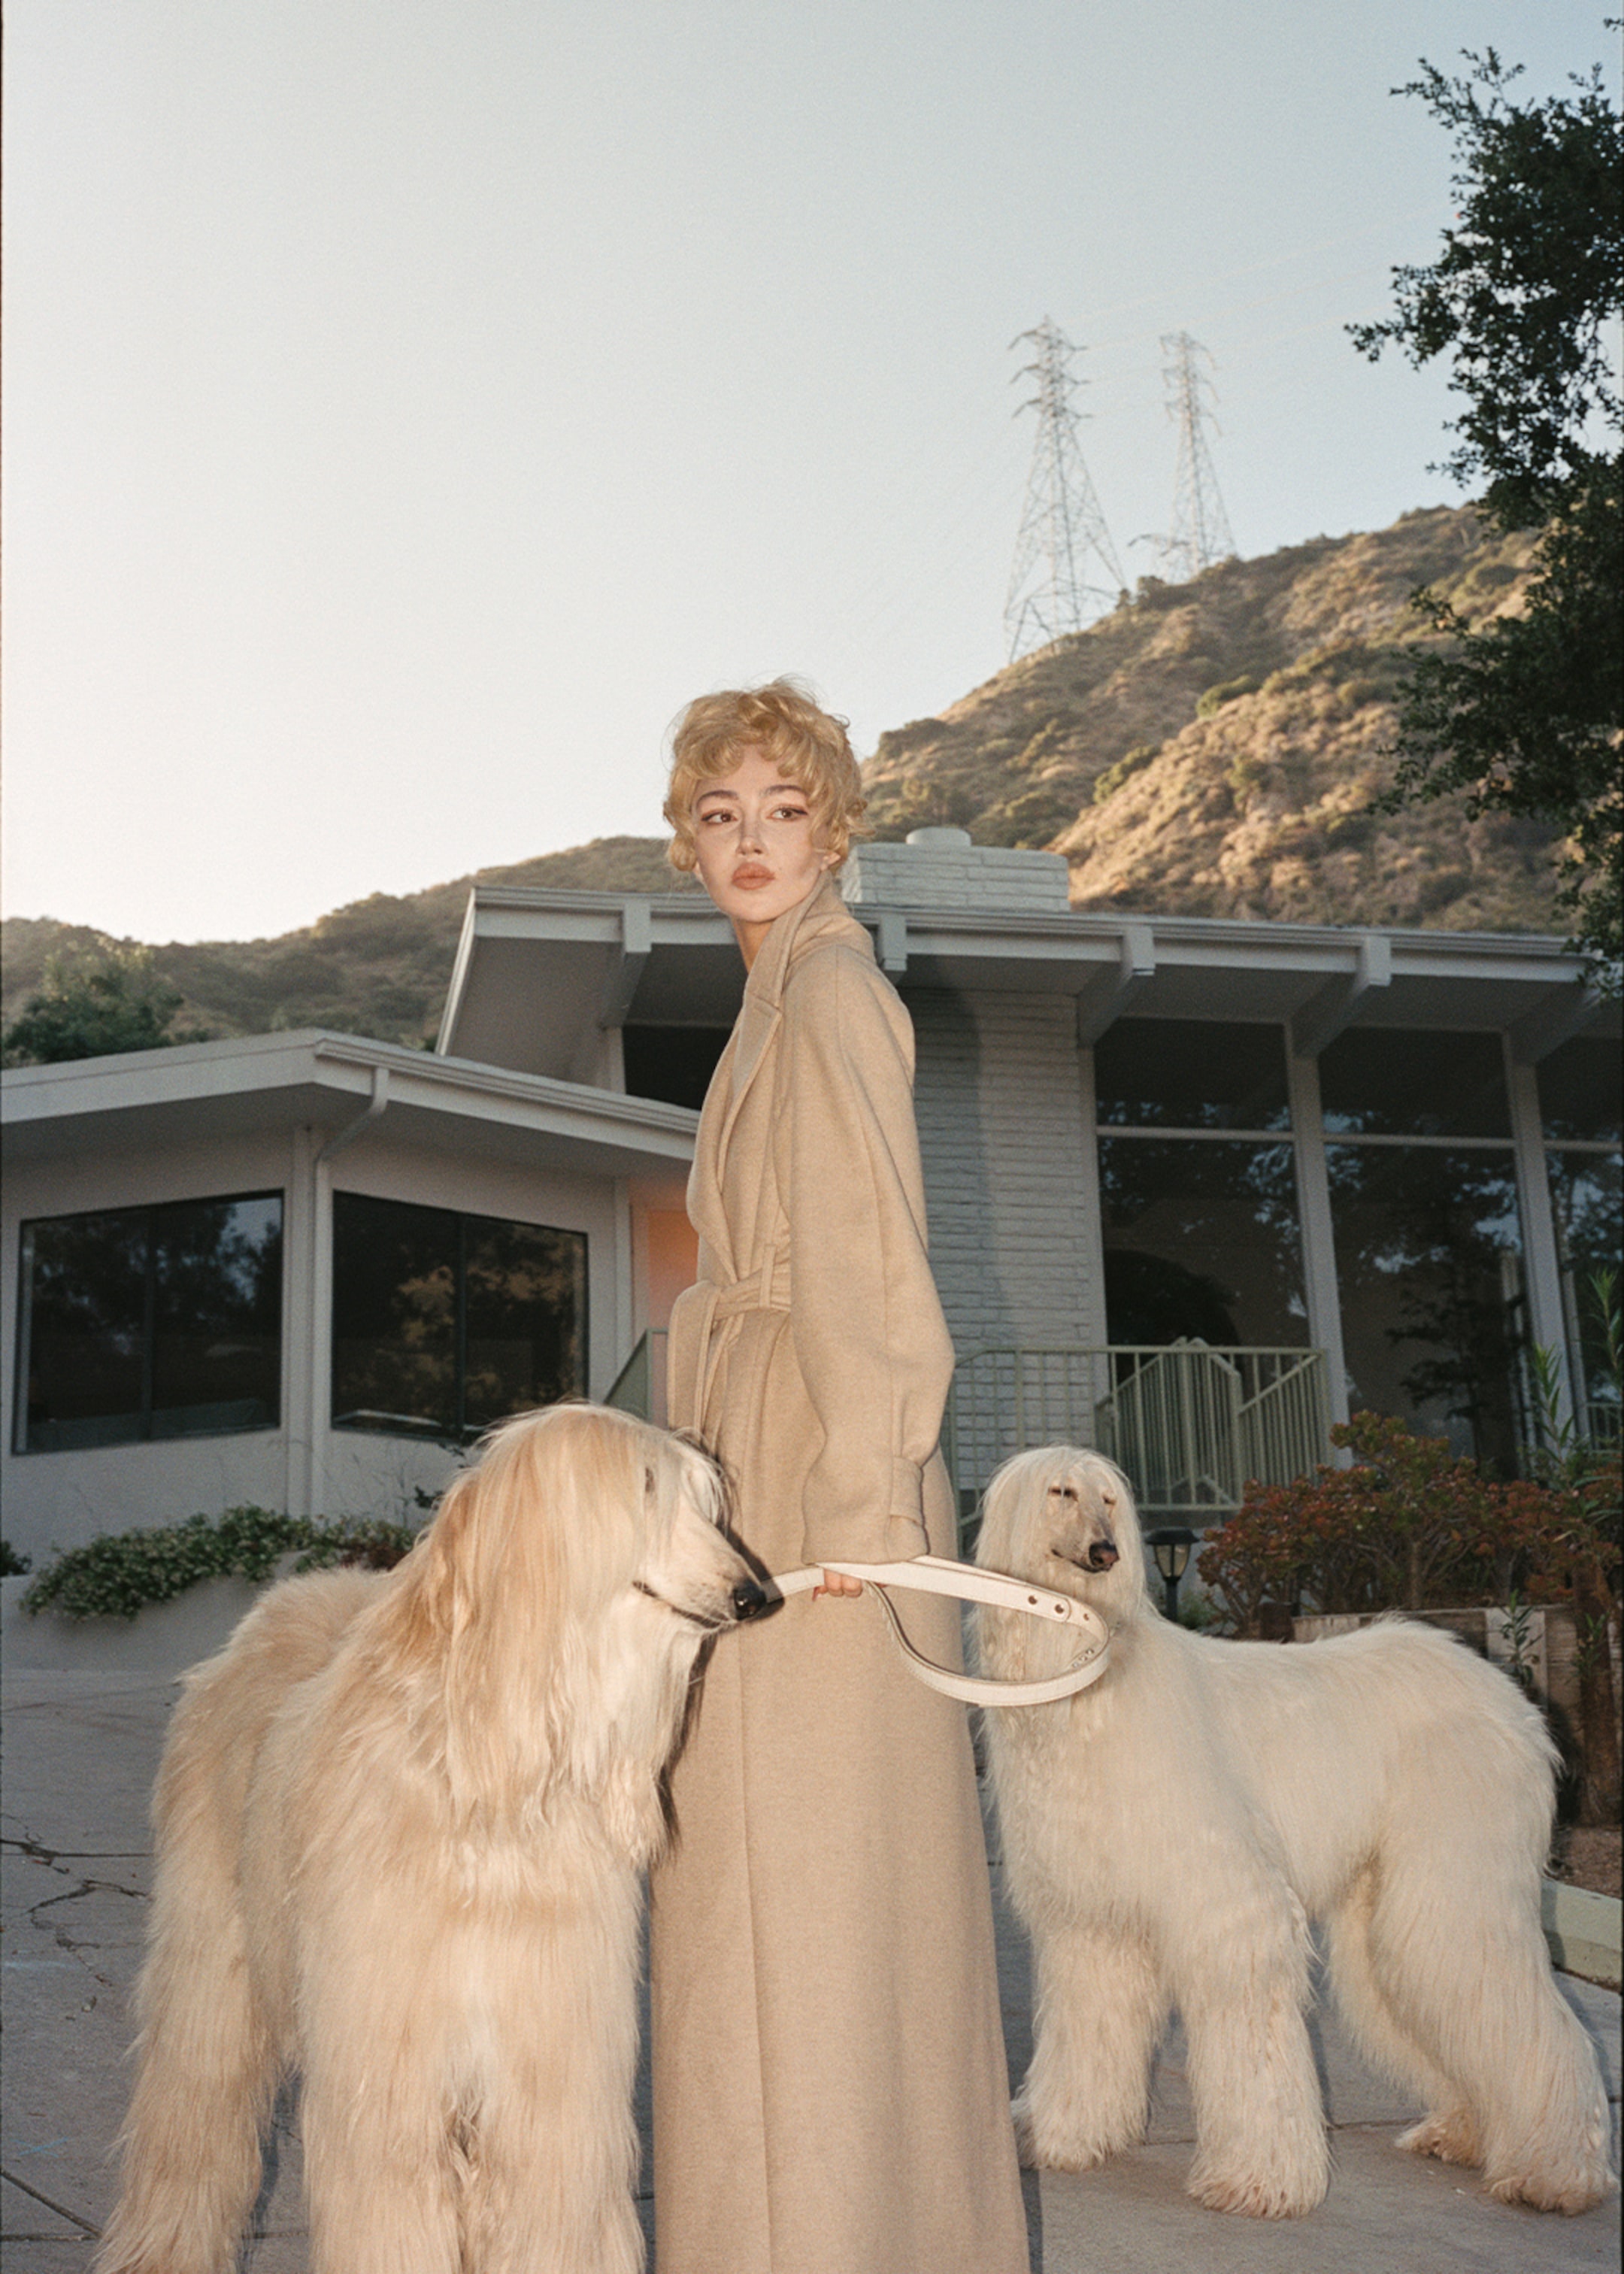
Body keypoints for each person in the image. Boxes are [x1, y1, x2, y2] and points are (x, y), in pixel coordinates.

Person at [649, 681, 1030, 2274]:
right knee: (777, 1881)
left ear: (835, 827)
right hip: (765, 1459)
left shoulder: (832, 990)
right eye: (722, 814)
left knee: (809, 1882)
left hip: (823, 1482)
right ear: (687, 840)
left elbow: (873, 1261)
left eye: (784, 810)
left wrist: (874, 1515)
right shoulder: (774, 1000)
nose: (752, 841)